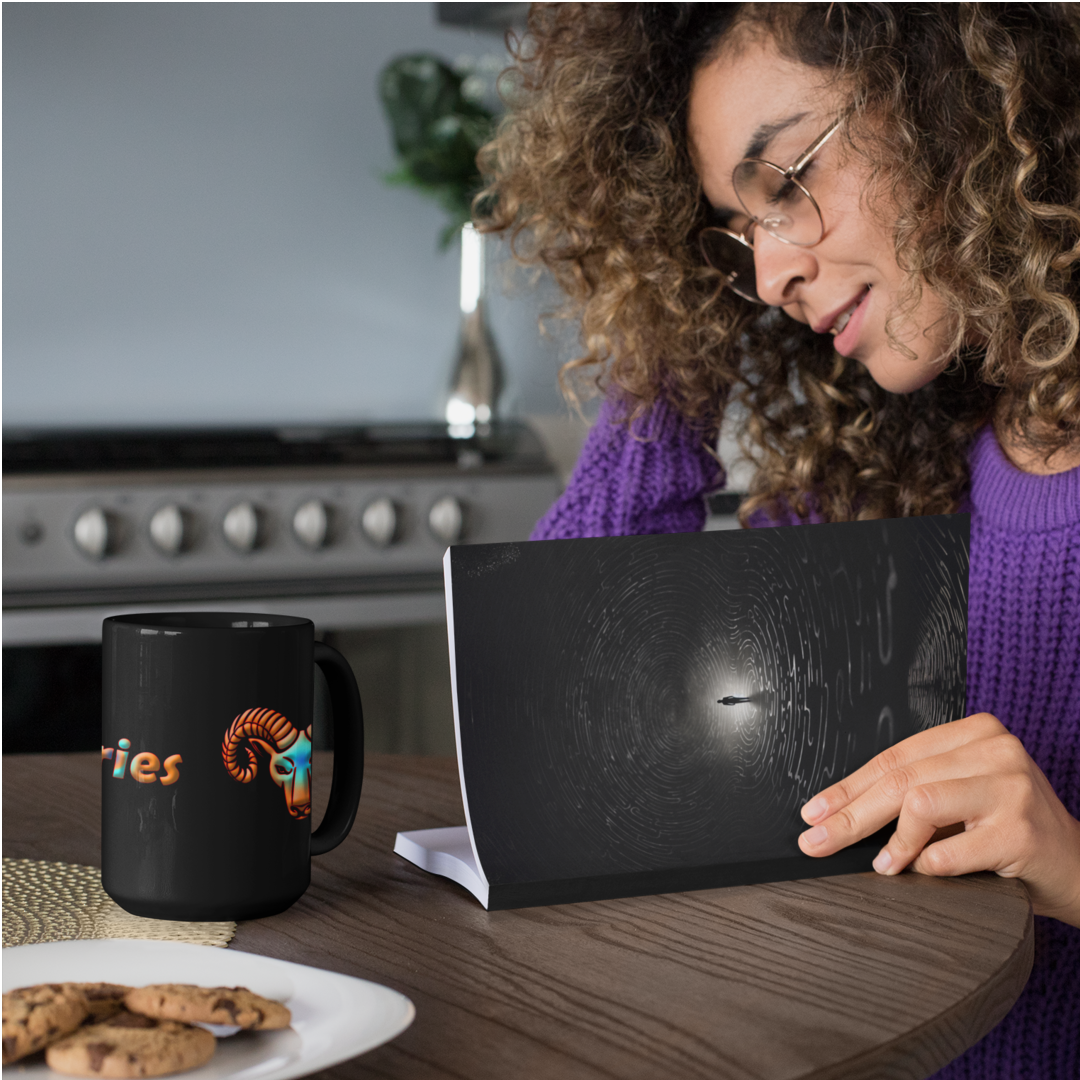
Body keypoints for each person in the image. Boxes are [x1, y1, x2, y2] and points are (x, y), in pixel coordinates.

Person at [477, 4, 1079, 1078]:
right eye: (736, 231)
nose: (766, 278)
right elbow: (563, 742)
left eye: (784, 183)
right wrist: (669, 343)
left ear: (958, 102)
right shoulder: (886, 480)